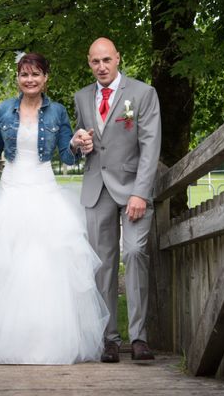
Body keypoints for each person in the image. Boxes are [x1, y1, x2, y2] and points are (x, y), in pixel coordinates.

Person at [0, 52, 108, 364]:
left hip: (44, 192)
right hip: (10, 191)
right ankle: (1, 344)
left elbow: (68, 156)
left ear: (46, 78)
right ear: (18, 78)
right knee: (3, 265)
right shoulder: (4, 109)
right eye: (24, 74)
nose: (30, 80)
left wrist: (78, 143)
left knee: (44, 266)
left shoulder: (56, 112)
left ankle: (45, 342)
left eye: (36, 74)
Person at [73, 37, 162, 363]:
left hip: (132, 190)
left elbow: (150, 146)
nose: (101, 67)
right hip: (97, 190)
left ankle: (139, 337)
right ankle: (109, 339)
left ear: (118, 58)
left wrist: (141, 191)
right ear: (89, 62)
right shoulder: (81, 97)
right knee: (102, 265)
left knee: (136, 253)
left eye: (107, 60)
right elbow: (81, 141)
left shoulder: (142, 94)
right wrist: (77, 141)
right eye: (95, 61)